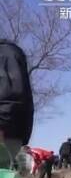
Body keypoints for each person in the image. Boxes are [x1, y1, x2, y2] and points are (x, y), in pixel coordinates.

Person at [0, 40, 34, 169]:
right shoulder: (17, 54)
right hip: (16, 121)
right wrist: (25, 134)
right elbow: (27, 97)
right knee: (6, 169)